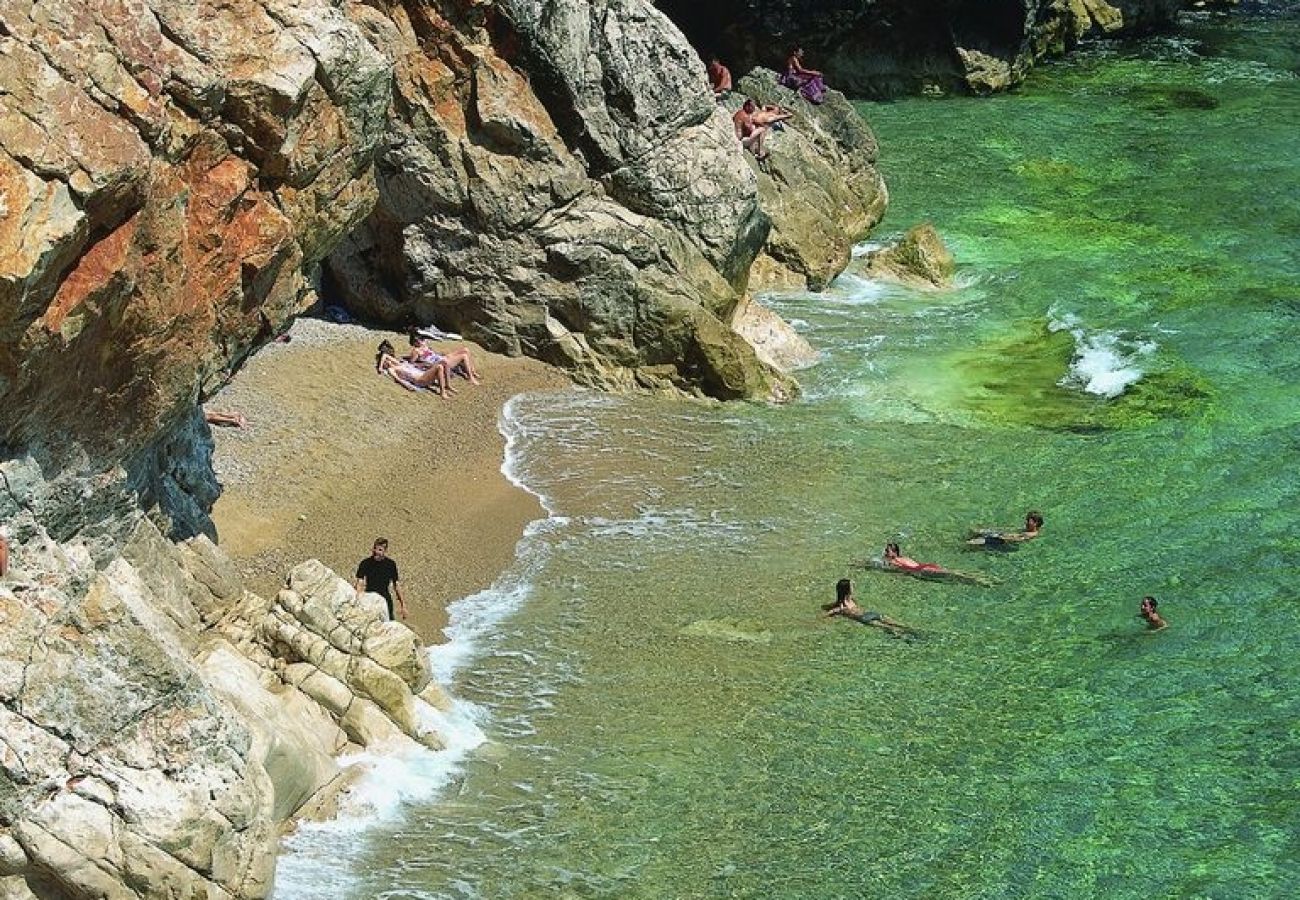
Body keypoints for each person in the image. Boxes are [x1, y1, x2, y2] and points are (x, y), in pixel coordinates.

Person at [824, 578, 918, 637]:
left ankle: (913, 631)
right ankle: (907, 636)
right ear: (847, 590)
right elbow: (831, 611)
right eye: (851, 586)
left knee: (896, 624)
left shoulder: (850, 601)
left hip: (868, 615)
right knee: (890, 628)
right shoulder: (842, 606)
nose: (853, 588)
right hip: (865, 617)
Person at [883, 542, 997, 586]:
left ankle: (980, 581)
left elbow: (901, 571)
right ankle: (983, 577)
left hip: (923, 570)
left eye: (887, 551)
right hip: (926, 566)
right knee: (953, 572)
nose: (885, 553)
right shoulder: (904, 557)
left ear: (894, 552)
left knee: (954, 576)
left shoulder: (894, 561)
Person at [376, 340, 454, 397]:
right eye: (386, 362)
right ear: (384, 364)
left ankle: (447, 386)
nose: (389, 362)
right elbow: (398, 379)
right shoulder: (391, 369)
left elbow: (385, 355)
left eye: (389, 360)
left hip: (423, 374)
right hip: (420, 380)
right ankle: (442, 393)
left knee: (444, 363)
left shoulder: (399, 364)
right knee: (439, 367)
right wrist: (406, 385)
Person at [355, 538, 407, 620]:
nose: (376, 551)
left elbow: (396, 585)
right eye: (375, 548)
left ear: (385, 551)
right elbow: (360, 582)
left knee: (388, 625)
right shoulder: (365, 563)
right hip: (370, 598)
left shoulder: (390, 565)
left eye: (380, 550)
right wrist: (358, 599)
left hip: (385, 600)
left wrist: (403, 605)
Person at [408, 331, 481, 385]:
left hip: (441, 358)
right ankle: (471, 378)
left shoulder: (425, 345)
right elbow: (412, 363)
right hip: (438, 363)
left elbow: (433, 354)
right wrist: (424, 364)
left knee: (465, 350)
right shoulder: (416, 351)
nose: (421, 341)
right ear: (414, 343)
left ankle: (473, 372)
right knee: (463, 356)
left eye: (421, 339)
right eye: (418, 341)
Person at [967, 511, 1044, 549]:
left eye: (1028, 521)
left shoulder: (1030, 534)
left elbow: (1017, 539)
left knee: (972, 543)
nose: (1026, 522)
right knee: (976, 530)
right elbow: (1013, 530)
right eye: (1027, 520)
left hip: (1002, 541)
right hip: (1002, 536)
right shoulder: (1027, 529)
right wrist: (998, 531)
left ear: (1035, 523)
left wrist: (1000, 536)